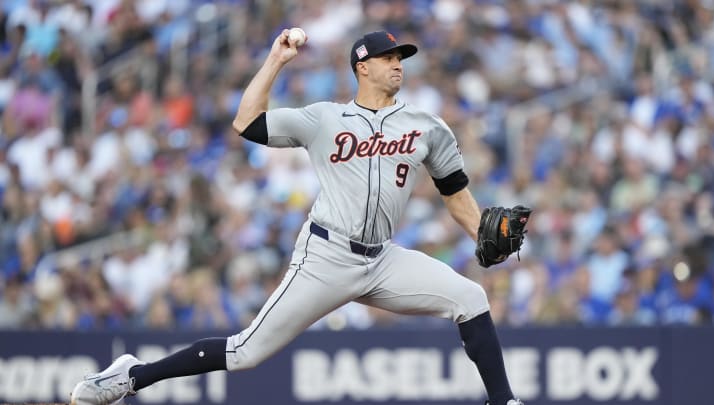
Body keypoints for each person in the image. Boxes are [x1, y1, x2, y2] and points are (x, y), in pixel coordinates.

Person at [70, 29, 524, 405]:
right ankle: (133, 376)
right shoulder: (323, 118)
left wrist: (480, 232)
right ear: (361, 67)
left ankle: (503, 401)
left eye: (401, 57)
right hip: (326, 256)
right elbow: (246, 122)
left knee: (470, 297)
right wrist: (275, 61)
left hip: (382, 260)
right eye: (388, 57)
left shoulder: (426, 125)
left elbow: (454, 190)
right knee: (246, 352)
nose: (398, 63)